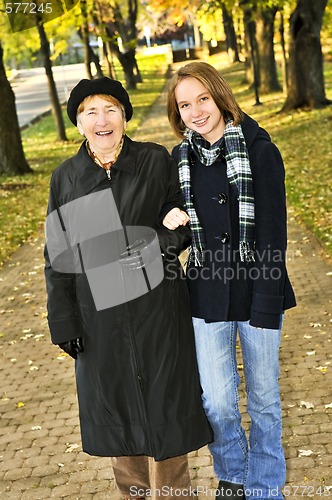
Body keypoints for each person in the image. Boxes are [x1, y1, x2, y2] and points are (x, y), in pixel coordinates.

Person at [44, 76, 212, 500]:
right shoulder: (66, 178)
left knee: (168, 415)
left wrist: (150, 244)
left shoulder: (155, 161)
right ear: (79, 123)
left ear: (124, 115)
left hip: (159, 309)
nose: (102, 120)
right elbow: (58, 258)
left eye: (110, 109)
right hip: (100, 319)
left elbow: (183, 225)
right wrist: (64, 321)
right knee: (120, 420)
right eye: (90, 112)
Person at [164, 62, 296, 500]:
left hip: (258, 289)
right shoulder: (178, 159)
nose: (196, 111)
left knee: (263, 400)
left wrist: (267, 301)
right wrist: (171, 220)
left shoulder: (260, 151)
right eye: (185, 104)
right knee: (217, 402)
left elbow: (274, 233)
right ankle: (233, 475)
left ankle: (265, 485)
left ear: (220, 95)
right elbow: (179, 227)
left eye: (202, 98)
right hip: (205, 293)